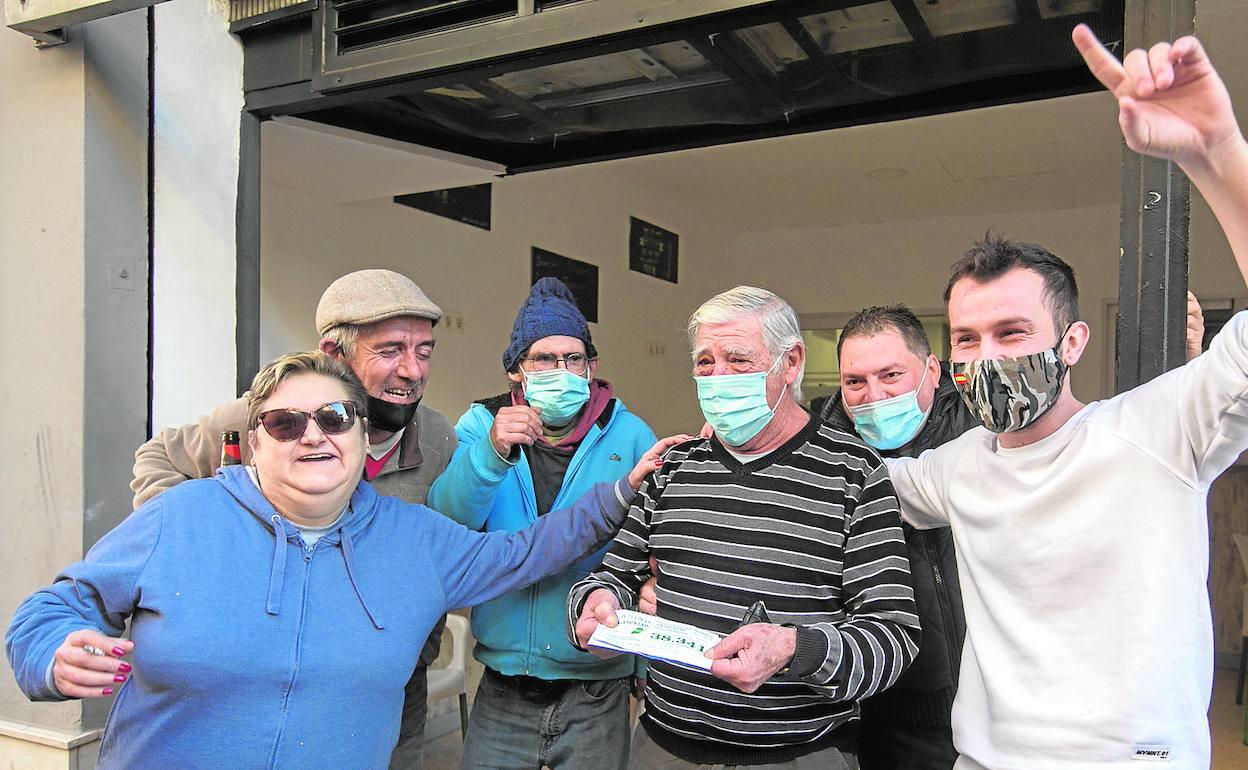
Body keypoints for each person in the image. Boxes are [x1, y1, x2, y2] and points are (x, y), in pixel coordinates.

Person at [6, 351, 683, 770]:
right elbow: (58, 605)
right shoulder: (179, 517)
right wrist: (51, 650)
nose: (313, 436)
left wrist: (622, 490)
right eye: (285, 422)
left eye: (334, 418)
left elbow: (525, 550)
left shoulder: (416, 539)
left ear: (363, 436)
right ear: (254, 439)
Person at [883, 25, 1248, 770]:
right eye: (967, 338)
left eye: (1013, 331)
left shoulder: (1160, 429)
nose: (987, 358)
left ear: (1072, 343)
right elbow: (837, 485)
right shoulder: (954, 469)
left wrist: (1215, 155)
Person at [568, 286, 919, 769]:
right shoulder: (673, 466)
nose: (718, 378)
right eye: (705, 362)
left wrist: (793, 648)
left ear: (791, 362)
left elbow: (893, 636)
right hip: (663, 745)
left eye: (738, 359)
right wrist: (597, 606)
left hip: (799, 753)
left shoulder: (853, 472)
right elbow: (612, 578)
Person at [130, 268, 453, 769]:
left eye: (424, 352)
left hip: (387, 684)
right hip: (257, 677)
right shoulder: (267, 417)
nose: (412, 371)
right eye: (390, 351)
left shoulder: (441, 441)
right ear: (333, 353)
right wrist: (201, 544)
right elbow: (160, 459)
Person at [427, 277, 658, 770]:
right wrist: (490, 453)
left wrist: (641, 660)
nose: (562, 370)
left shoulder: (630, 434)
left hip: (597, 683)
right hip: (505, 682)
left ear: (592, 367)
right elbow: (447, 521)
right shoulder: (480, 425)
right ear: (517, 371)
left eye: (574, 359)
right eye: (544, 359)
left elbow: (648, 554)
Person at [814, 305, 973, 770]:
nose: (874, 396)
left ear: (931, 370)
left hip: (995, 698)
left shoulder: (987, 434)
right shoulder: (821, 451)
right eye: (855, 382)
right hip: (875, 707)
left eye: (891, 375)